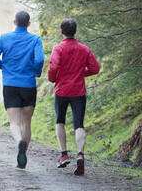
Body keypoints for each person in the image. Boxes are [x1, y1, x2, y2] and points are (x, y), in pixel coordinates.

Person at [0, 11, 44, 169]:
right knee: (27, 122)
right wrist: (36, 71)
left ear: (14, 22)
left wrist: (5, 68)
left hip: (10, 84)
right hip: (28, 84)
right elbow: (40, 59)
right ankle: (23, 153)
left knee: (14, 122)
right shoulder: (35, 39)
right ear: (28, 23)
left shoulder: (4, 38)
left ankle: (18, 141)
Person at [48, 18, 100, 175]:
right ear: (75, 31)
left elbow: (54, 66)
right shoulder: (84, 49)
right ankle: (80, 154)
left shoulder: (58, 48)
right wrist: (81, 73)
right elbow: (95, 68)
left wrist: (53, 78)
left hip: (61, 90)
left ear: (61, 31)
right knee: (79, 124)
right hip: (78, 91)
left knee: (60, 121)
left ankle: (63, 154)